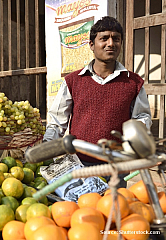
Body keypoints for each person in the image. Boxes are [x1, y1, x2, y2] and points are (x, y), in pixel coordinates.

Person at [43, 16, 152, 188]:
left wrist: (138, 143)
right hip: (78, 165)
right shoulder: (73, 81)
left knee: (115, 209)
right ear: (92, 45)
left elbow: (141, 117)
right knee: (80, 211)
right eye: (104, 38)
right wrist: (46, 149)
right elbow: (57, 120)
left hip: (116, 166)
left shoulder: (134, 82)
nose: (110, 43)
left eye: (116, 39)